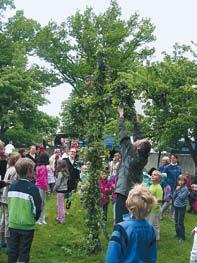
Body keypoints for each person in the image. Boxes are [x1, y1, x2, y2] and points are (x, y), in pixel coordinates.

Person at [115, 107, 151, 223]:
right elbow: (138, 135)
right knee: (133, 217)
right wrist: (135, 119)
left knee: (121, 219)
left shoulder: (130, 154)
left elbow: (122, 135)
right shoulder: (142, 157)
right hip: (134, 190)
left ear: (139, 147)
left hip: (124, 190)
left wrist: (121, 116)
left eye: (140, 142)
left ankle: (120, 238)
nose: (137, 140)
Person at [105, 183, 157, 263]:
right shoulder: (150, 229)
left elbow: (112, 257)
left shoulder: (121, 229)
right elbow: (152, 257)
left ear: (127, 204)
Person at [7, 158, 42, 263]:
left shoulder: (12, 186)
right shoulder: (32, 188)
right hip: (27, 226)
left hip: (13, 224)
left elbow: (10, 203)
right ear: (29, 172)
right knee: (24, 251)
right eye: (33, 170)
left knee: (12, 250)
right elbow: (37, 207)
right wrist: (34, 219)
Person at [0, 152, 20, 249]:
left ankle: (2, 240)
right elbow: (14, 184)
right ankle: (8, 243)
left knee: (3, 218)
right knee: (8, 220)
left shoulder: (8, 169)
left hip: (3, 196)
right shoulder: (15, 170)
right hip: (9, 198)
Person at [172, 174, 189, 242]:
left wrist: (178, 191)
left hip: (182, 207)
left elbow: (182, 197)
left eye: (182, 180)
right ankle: (177, 234)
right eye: (179, 180)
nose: (180, 182)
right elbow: (173, 196)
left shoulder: (186, 189)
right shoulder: (178, 187)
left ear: (185, 181)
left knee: (180, 222)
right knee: (176, 221)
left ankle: (182, 236)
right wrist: (176, 190)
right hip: (176, 206)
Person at [147, 170, 163, 241]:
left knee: (154, 224)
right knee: (149, 223)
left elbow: (159, 200)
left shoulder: (158, 187)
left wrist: (153, 205)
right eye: (152, 174)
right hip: (149, 208)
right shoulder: (151, 185)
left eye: (155, 175)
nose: (152, 175)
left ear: (159, 178)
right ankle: (150, 236)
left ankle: (156, 238)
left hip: (155, 209)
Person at [53, 160, 70, 224]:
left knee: (60, 206)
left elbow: (58, 183)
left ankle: (61, 219)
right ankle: (59, 217)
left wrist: (54, 189)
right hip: (64, 189)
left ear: (59, 165)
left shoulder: (61, 173)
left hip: (60, 190)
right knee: (60, 204)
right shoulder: (66, 172)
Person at [35, 156, 49, 224]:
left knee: (40, 202)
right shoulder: (43, 167)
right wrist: (47, 187)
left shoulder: (37, 167)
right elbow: (44, 178)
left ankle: (40, 218)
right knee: (42, 203)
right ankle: (40, 219)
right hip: (42, 186)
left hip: (38, 185)